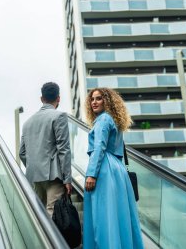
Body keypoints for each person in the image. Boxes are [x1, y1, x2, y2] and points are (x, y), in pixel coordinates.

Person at [83, 88, 144, 249]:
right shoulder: (113, 120)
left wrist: (91, 174)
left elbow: (99, 147)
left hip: (104, 169)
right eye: (92, 99)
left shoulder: (103, 120)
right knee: (118, 218)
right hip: (118, 171)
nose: (94, 102)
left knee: (103, 218)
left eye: (99, 98)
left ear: (107, 101)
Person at [19, 82, 72, 217]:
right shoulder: (59, 116)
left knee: (39, 217)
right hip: (54, 175)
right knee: (53, 215)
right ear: (58, 98)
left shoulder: (27, 123)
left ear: (42, 99)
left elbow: (22, 153)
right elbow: (63, 149)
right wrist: (67, 179)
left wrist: (34, 165)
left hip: (34, 176)